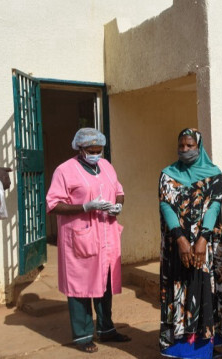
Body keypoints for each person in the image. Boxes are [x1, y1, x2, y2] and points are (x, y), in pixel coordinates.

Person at [45, 128, 129, 354]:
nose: (95, 154)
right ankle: (82, 336)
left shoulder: (107, 166)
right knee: (80, 286)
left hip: (106, 235)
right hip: (80, 236)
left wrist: (118, 204)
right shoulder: (64, 170)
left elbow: (118, 190)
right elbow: (53, 205)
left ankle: (106, 329)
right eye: (90, 151)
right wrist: (85, 206)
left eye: (98, 150)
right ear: (79, 149)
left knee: (105, 284)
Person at [158, 128, 222, 359]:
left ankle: (203, 348)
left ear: (199, 147)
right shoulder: (168, 174)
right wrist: (180, 240)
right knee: (178, 291)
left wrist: (202, 239)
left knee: (204, 291)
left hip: (204, 246)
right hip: (176, 246)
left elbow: (214, 206)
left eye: (190, 146)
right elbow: (166, 206)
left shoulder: (214, 174)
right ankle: (179, 349)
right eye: (181, 146)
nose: (185, 150)